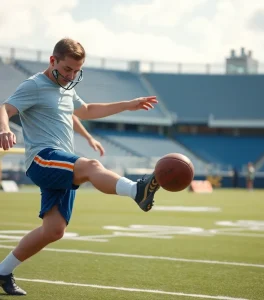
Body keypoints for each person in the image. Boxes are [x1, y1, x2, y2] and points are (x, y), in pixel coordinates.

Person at [0, 38, 160, 296]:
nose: (71, 76)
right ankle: (136, 191)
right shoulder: (34, 85)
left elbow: (85, 110)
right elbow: (5, 108)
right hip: (42, 158)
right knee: (91, 165)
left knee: (54, 231)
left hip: (60, 158)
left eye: (76, 71)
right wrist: (5, 129)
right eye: (66, 70)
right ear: (53, 61)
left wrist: (127, 105)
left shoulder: (66, 88)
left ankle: (2, 272)